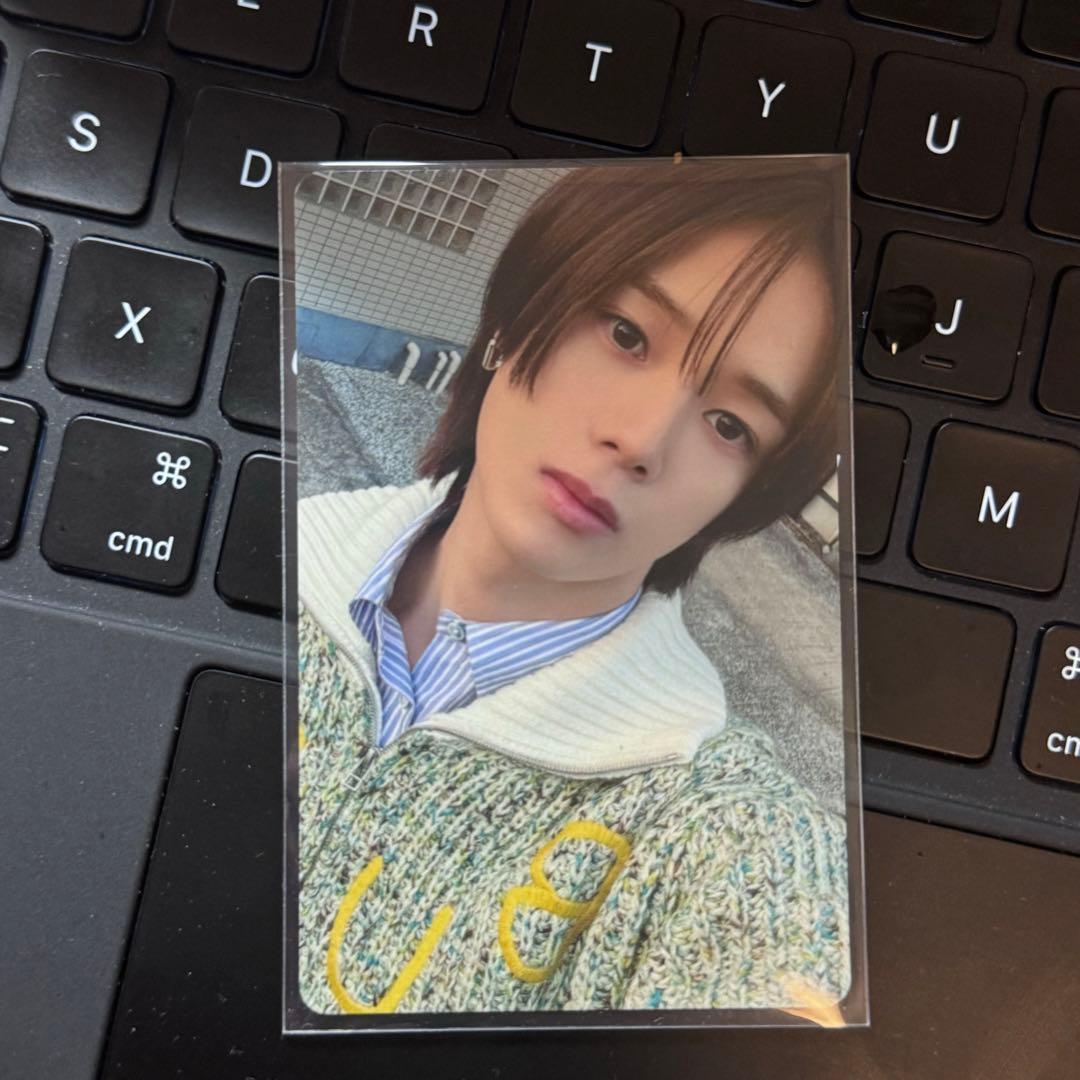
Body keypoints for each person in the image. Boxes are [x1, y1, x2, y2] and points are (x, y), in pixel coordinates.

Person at [295, 159, 851, 1017]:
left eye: (729, 424)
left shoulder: (715, 828)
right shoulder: (264, 551)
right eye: (627, 334)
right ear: (517, 317)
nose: (643, 441)